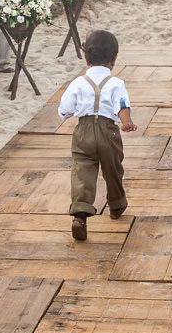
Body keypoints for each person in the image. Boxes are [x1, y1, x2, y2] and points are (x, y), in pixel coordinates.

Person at [57, 30, 136, 240]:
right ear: (114, 59)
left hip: (83, 131)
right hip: (108, 131)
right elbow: (122, 105)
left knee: (82, 171)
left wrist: (68, 113)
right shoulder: (116, 83)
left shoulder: (78, 82)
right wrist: (126, 121)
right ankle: (117, 206)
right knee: (113, 169)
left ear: (86, 58)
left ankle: (80, 216)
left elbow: (65, 109)